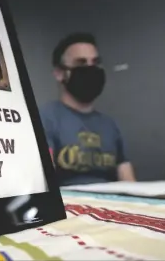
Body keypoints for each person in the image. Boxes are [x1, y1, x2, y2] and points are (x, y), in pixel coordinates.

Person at [40, 33, 136, 186]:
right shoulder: (45, 118)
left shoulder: (110, 125)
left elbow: (129, 181)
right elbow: (43, 182)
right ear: (59, 73)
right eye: (81, 64)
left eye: (95, 63)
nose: (91, 69)